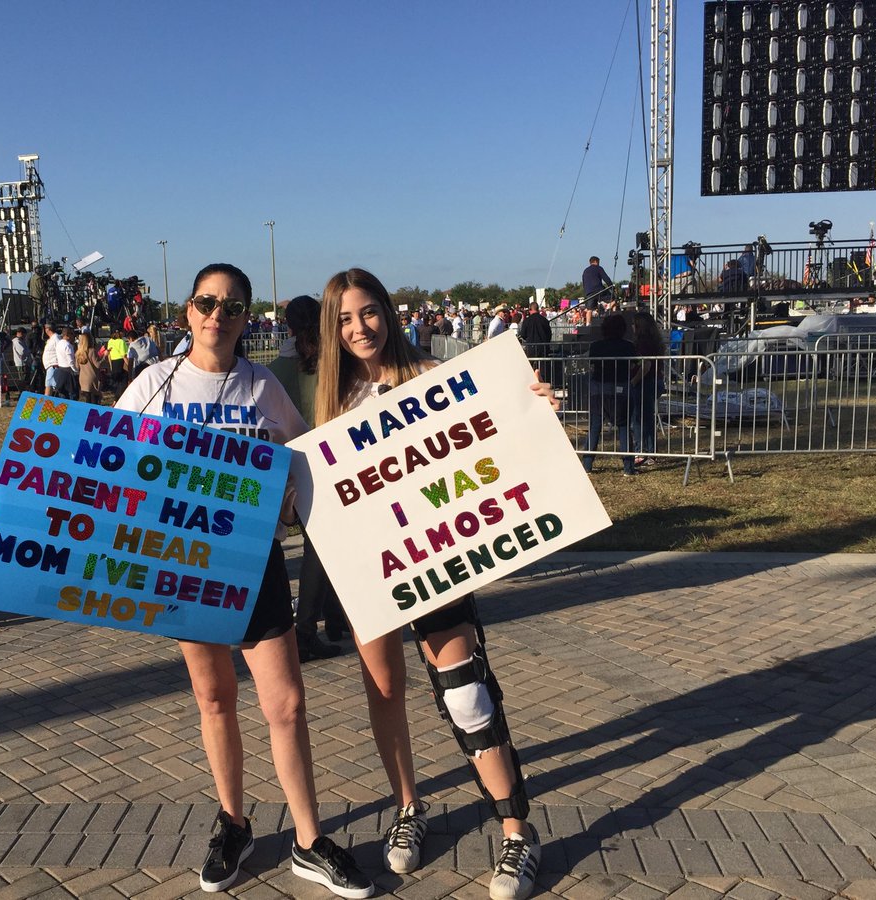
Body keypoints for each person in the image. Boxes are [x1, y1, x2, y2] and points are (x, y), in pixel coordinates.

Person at [101, 264, 374, 898]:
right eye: (206, 303)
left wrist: (284, 499)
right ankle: (234, 823)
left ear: (247, 318)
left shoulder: (263, 388)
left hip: (256, 568)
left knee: (287, 704)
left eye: (232, 307)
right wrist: (8, 503)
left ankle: (308, 839)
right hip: (181, 568)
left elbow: (307, 465)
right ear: (188, 311)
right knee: (214, 699)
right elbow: (101, 467)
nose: (217, 315)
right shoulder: (151, 384)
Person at [315, 268, 554, 900]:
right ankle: (409, 807)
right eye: (344, 318)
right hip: (366, 565)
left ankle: (516, 830)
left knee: (466, 693)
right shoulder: (329, 399)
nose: (359, 328)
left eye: (368, 312)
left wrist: (536, 411)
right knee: (385, 690)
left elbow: (498, 430)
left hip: (434, 557)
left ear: (388, 313)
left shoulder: (428, 376)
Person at [266, 295, 347, 663]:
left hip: (294, 463)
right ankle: (306, 629)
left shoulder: (274, 370)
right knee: (323, 547)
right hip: (335, 457)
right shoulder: (334, 361)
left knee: (320, 541)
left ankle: (333, 618)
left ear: (289, 326)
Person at [581, 314, 636, 476]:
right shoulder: (628, 346)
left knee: (594, 427)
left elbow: (592, 363)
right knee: (624, 427)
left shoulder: (596, 346)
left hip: (599, 391)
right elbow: (636, 363)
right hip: (621, 391)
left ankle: (587, 465)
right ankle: (628, 468)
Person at [629, 313, 666, 467]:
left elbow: (646, 366)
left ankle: (641, 451)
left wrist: (633, 381)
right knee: (648, 418)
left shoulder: (641, 344)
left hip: (644, 382)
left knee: (637, 419)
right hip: (654, 381)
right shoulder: (656, 342)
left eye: (633, 324)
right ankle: (650, 452)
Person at [75, 331, 106, 404]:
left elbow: (77, 367)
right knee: (94, 400)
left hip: (83, 379)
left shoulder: (78, 353)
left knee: (87, 399)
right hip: (92, 379)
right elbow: (98, 365)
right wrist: (104, 356)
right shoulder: (92, 351)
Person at [581, 256, 614, 325]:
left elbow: (584, 283)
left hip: (589, 292)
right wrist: (611, 287)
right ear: (596, 261)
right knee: (613, 299)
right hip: (599, 290)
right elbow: (606, 278)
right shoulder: (598, 268)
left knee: (589, 309)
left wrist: (586, 293)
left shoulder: (585, 271)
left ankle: (587, 324)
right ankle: (609, 310)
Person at [106, 328, 129, 394]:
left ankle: (116, 395)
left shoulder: (110, 341)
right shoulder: (121, 341)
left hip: (113, 361)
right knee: (123, 381)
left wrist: (110, 364)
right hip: (120, 361)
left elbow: (109, 354)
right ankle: (120, 394)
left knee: (116, 380)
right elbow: (123, 355)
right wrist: (128, 365)